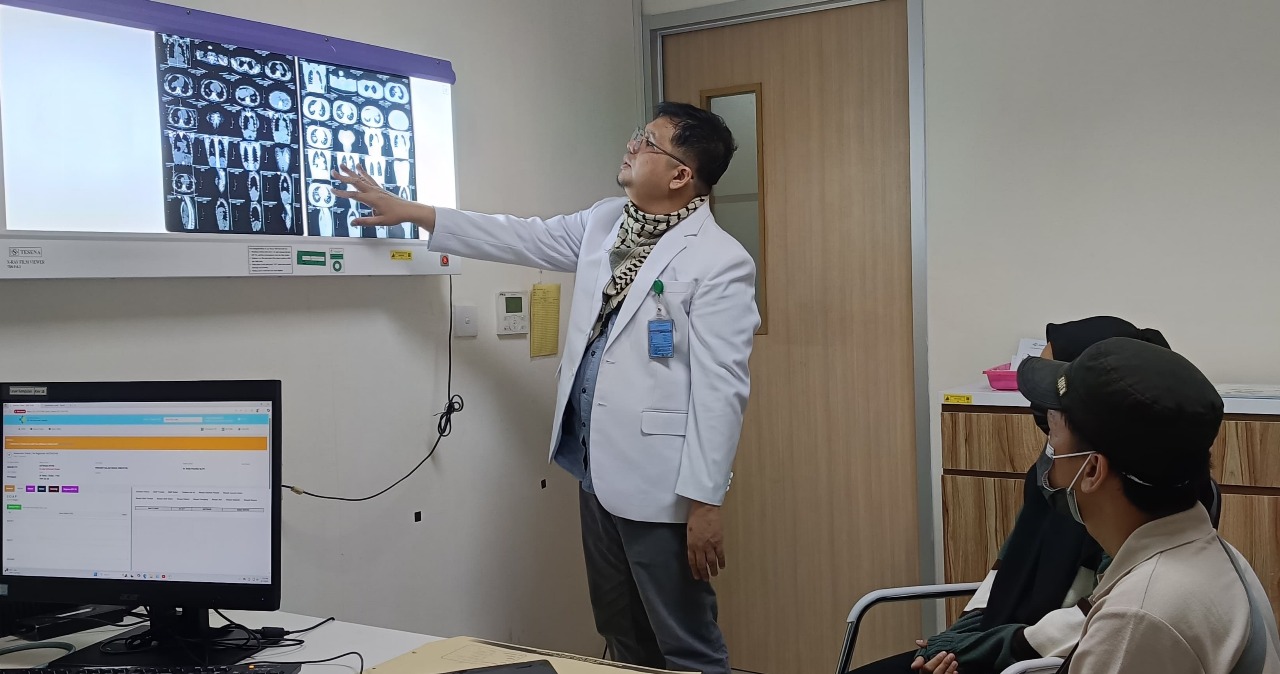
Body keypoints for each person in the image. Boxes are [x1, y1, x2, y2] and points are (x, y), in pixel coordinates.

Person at [332, 103, 757, 674]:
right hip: (595, 470)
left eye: (647, 142)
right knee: (619, 628)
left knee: (685, 641)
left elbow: (721, 387)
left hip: (664, 484)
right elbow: (519, 237)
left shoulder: (720, 261)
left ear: (681, 175)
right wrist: (412, 211)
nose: (631, 146)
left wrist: (706, 500)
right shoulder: (607, 223)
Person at [855, 316, 1176, 674]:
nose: (1041, 408)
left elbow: (1093, 617)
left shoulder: (1115, 490)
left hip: (1032, 660)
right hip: (993, 643)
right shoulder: (1054, 467)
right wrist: (954, 639)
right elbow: (1004, 571)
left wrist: (972, 650)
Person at [1019, 337, 1280, 673]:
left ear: (1093, 469)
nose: (1048, 453)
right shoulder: (1214, 555)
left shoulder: (1138, 616)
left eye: (1053, 437)